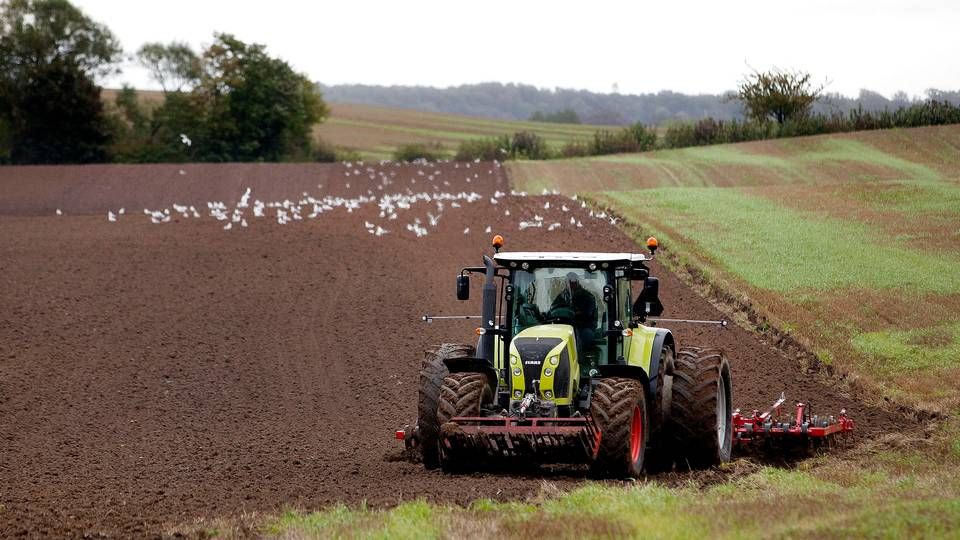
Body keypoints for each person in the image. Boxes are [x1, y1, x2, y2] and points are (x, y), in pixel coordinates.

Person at [551, 272, 598, 354]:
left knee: (587, 336)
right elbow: (554, 308)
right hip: (564, 326)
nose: (571, 284)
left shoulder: (587, 296)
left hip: (583, 326)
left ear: (577, 282)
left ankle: (583, 356)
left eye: (573, 282)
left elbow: (588, 313)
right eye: (569, 282)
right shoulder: (562, 296)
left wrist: (575, 313)